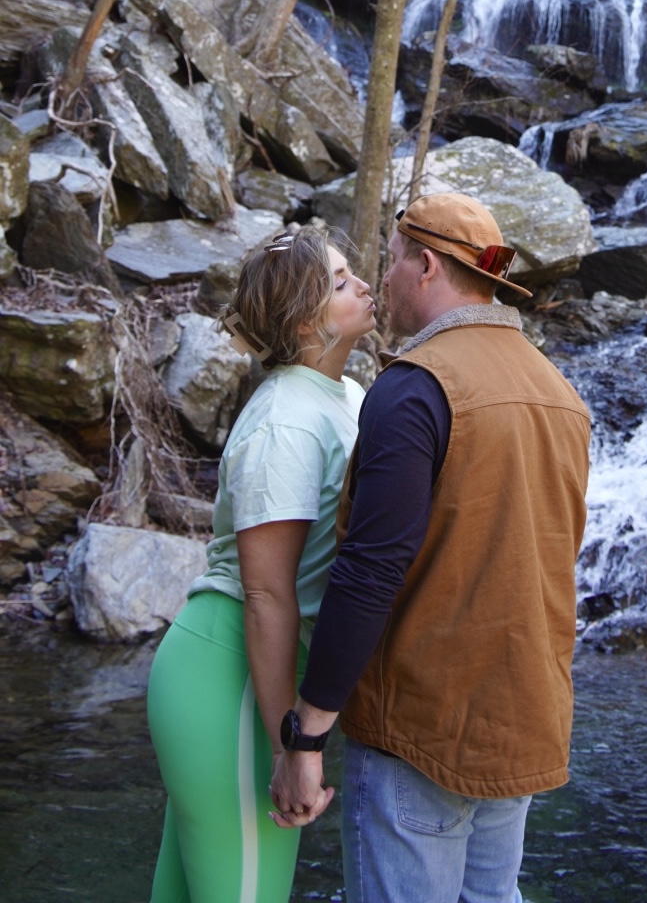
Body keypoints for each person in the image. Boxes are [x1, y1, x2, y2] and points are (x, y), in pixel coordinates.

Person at [270, 191, 591, 903]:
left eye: (387, 262)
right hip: (525, 724)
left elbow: (368, 572)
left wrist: (307, 734)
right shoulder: (561, 395)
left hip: (424, 728)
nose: (381, 281)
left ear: (424, 265)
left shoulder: (415, 388)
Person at [146, 223, 376, 903]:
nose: (361, 284)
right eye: (339, 282)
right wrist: (291, 747)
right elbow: (268, 594)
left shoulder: (346, 396)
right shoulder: (285, 421)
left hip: (236, 681)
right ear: (305, 320)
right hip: (232, 686)